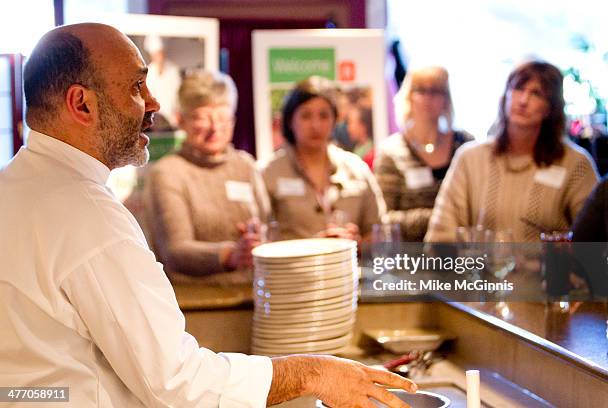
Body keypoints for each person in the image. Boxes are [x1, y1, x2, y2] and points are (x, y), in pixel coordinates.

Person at [0, 23, 416, 407]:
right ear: (82, 104)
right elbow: (178, 381)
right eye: (136, 86)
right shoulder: (88, 216)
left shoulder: (15, 185)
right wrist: (314, 373)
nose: (153, 102)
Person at [425, 61, 599, 242]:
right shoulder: (470, 158)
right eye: (518, 88)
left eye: (536, 93)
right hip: (477, 269)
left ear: (550, 108)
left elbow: (593, 247)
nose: (523, 101)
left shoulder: (575, 164)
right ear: (505, 96)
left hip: (549, 271)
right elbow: (440, 236)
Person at [145, 70, 267, 285]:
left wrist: (259, 238)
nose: (214, 128)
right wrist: (230, 254)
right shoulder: (169, 173)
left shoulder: (245, 165)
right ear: (181, 120)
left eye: (222, 117)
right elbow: (175, 250)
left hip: (255, 296)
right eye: (203, 118)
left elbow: (267, 223)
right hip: (201, 307)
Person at [260, 76, 387, 241]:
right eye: (306, 116)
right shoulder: (267, 173)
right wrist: (312, 247)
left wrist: (358, 244)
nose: (315, 125)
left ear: (335, 120)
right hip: (294, 266)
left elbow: (381, 233)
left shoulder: (356, 168)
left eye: (324, 115)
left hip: (350, 265)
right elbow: (260, 239)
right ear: (290, 121)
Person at [375, 66, 472, 241]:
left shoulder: (465, 145)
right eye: (421, 91)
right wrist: (442, 218)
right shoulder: (391, 151)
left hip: (460, 254)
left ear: (446, 99)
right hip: (410, 258)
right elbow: (385, 218)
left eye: (435, 91)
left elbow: (476, 206)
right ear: (409, 96)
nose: (428, 98)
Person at [143, 35, 181, 129]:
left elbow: (178, 94)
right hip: (156, 119)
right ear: (151, 55)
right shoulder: (149, 72)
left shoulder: (174, 70)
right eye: (155, 54)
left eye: (160, 53)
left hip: (173, 119)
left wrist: (178, 112)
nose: (158, 56)